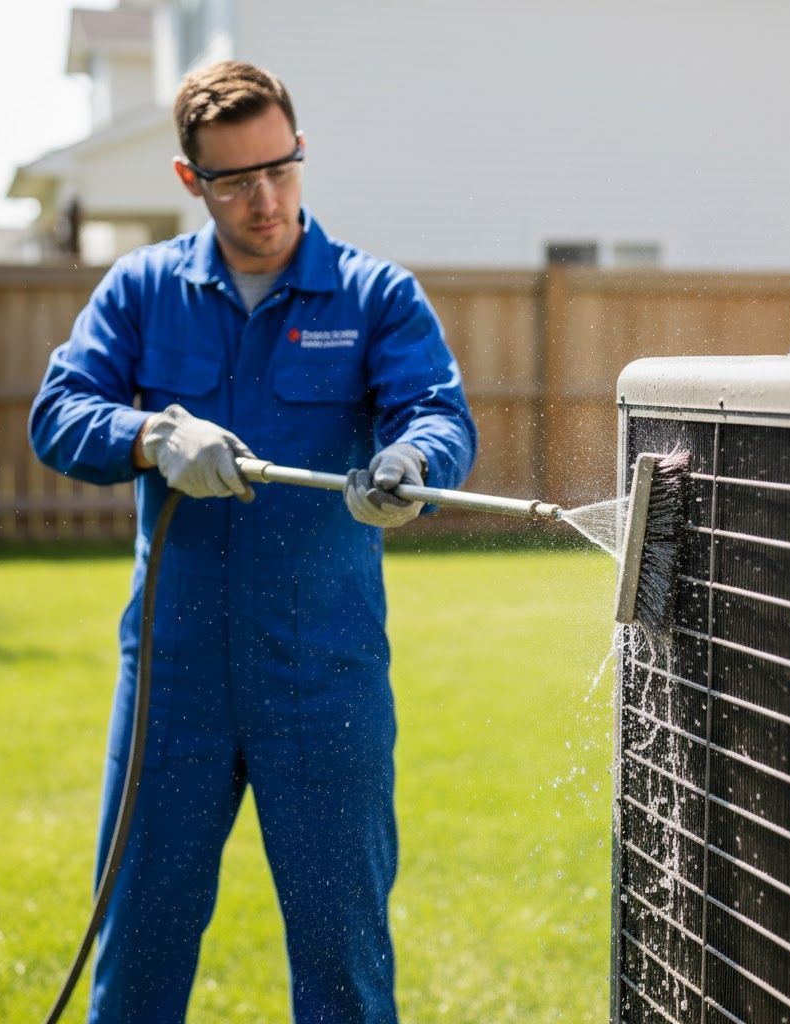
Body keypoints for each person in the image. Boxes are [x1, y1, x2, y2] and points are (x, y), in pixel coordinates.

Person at [29, 60, 477, 1024]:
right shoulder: (143, 291)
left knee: (343, 961)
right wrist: (151, 436)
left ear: (300, 151)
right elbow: (57, 415)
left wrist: (411, 463)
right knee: (139, 951)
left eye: (281, 167)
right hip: (173, 685)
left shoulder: (375, 296)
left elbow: (439, 416)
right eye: (235, 180)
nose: (265, 199)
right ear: (192, 182)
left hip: (325, 680)